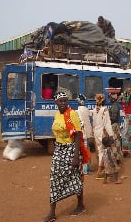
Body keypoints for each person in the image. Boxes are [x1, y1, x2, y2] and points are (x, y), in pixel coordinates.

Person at [42, 92, 86, 222]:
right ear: (56, 103)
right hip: (59, 149)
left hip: (71, 148)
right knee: (54, 177)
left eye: (65, 101)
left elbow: (78, 135)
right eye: (60, 101)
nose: (63, 103)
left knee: (75, 176)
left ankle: (80, 204)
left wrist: (75, 157)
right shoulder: (56, 115)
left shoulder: (72, 114)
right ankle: (52, 212)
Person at [92, 93, 114, 179]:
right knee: (105, 152)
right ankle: (101, 170)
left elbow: (93, 123)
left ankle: (101, 170)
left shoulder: (94, 110)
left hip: (96, 132)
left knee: (100, 151)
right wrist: (111, 135)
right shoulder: (105, 110)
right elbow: (107, 124)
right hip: (102, 133)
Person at [76, 94, 93, 174]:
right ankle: (88, 168)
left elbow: (80, 123)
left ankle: (84, 170)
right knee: (87, 150)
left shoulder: (78, 111)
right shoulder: (86, 110)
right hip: (88, 133)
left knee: (82, 152)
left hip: (82, 134)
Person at [108, 93, 122, 164]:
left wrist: (107, 117)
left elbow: (114, 118)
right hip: (116, 125)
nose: (109, 99)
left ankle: (116, 158)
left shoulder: (114, 107)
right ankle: (118, 158)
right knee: (117, 142)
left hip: (114, 125)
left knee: (114, 142)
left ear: (112, 99)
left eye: (110, 97)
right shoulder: (115, 105)